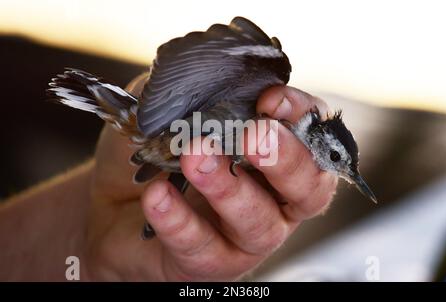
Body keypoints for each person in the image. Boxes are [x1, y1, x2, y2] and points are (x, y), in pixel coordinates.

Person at [0, 75, 337, 281]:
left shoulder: (271, 140)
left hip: (172, 155)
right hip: (172, 133)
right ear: (320, 140)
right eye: (335, 159)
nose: (332, 169)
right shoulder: (272, 112)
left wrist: (90, 254)